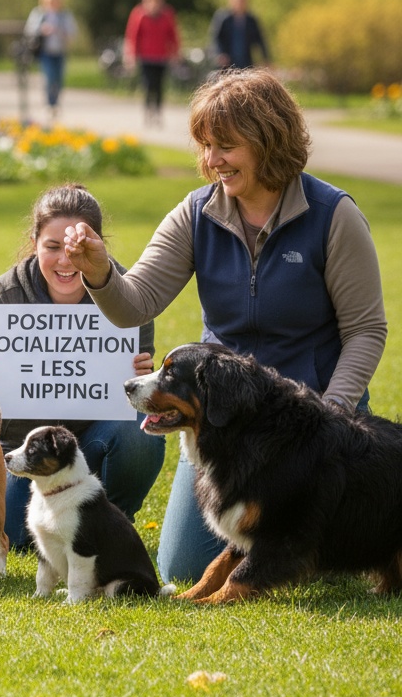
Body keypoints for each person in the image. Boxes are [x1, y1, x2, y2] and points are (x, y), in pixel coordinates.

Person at [63, 67, 387, 583]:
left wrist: (331, 416)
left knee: (307, 555)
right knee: (183, 566)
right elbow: (136, 303)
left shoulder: (333, 215)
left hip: (320, 426)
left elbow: (366, 330)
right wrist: (100, 270)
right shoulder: (196, 214)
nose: (212, 161)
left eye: (227, 146)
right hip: (224, 419)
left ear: (268, 141)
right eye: (206, 146)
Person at [0, 183, 166, 551]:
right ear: (35, 242)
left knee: (138, 430)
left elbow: (131, 403)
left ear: (98, 244)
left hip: (90, 448)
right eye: (52, 247)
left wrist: (140, 382)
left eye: (77, 248)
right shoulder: (5, 295)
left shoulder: (128, 294)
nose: (65, 261)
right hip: (20, 451)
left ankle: (111, 519)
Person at [123, 0, 180, 126]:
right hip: (146, 57)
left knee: (159, 86)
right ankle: (148, 112)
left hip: (161, 57)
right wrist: (131, 56)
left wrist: (175, 53)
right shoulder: (139, 14)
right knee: (148, 86)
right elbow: (133, 36)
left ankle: (158, 112)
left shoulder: (167, 14)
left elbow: (173, 35)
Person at [24, 0, 79, 121]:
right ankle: (49, 104)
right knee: (49, 78)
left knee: (59, 79)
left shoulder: (65, 15)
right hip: (45, 51)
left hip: (60, 50)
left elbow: (73, 32)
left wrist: (62, 31)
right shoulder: (39, 14)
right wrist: (42, 29)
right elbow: (29, 31)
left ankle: (56, 103)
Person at [209, 0, 269, 70]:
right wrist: (219, 54)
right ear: (231, 0)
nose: (240, 2)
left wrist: (266, 59)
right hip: (227, 64)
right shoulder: (223, 18)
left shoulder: (251, 20)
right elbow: (215, 38)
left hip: (246, 62)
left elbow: (260, 40)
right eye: (238, 0)